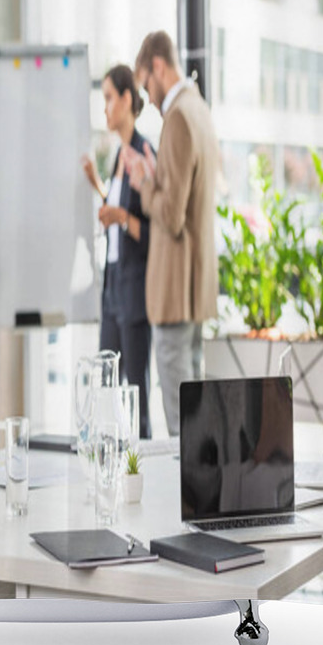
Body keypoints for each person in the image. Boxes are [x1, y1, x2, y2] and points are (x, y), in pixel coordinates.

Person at [123, 31, 219, 437]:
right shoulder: (199, 109)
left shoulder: (177, 117)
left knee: (181, 424)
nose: (148, 96)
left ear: (158, 67)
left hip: (175, 292)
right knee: (195, 417)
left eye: (146, 83)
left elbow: (172, 215)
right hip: (195, 290)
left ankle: (192, 500)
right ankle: (201, 497)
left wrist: (144, 181)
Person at [81, 65, 155, 439]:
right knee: (106, 393)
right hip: (113, 292)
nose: (106, 108)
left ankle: (144, 482)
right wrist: (97, 184)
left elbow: (151, 230)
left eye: (109, 98)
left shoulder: (143, 153)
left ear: (127, 100)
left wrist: (122, 216)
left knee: (136, 399)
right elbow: (116, 211)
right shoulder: (118, 156)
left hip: (134, 295)